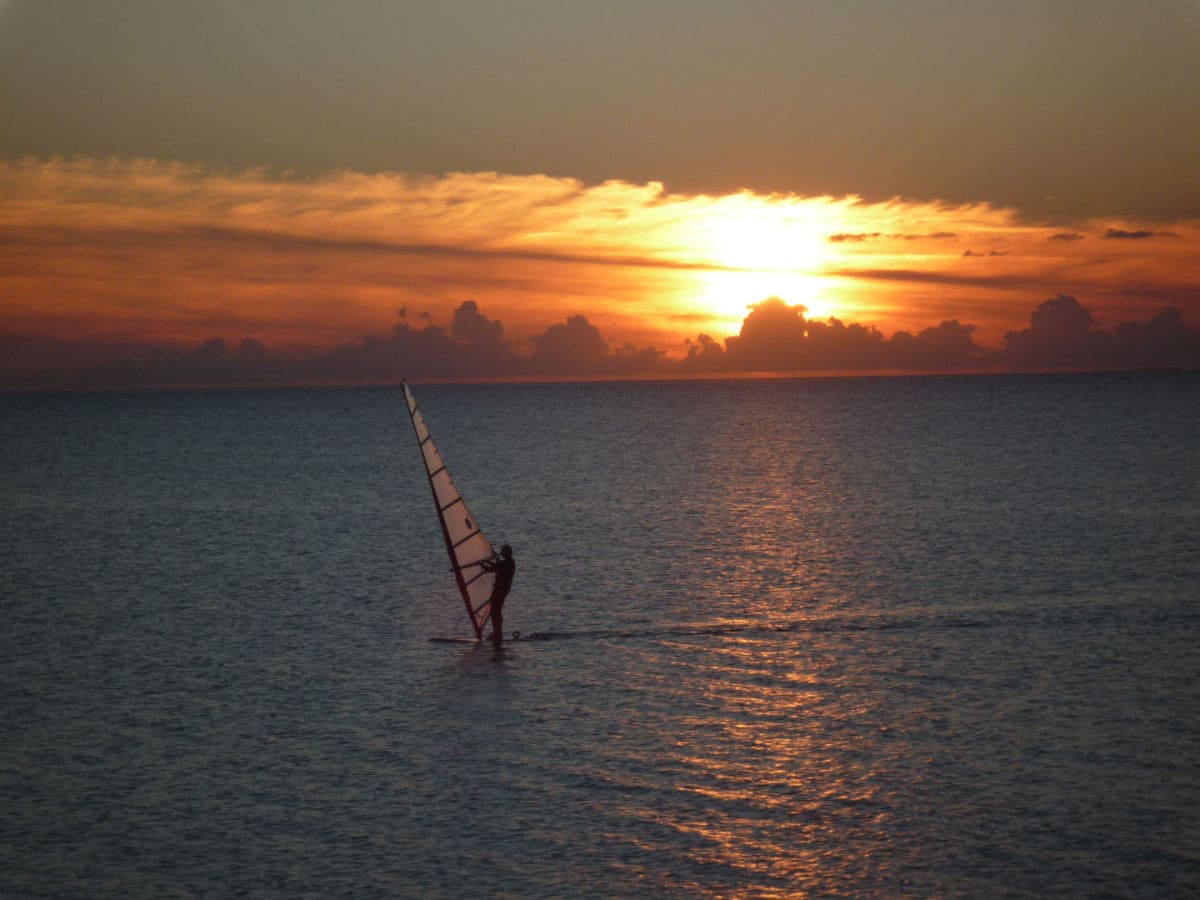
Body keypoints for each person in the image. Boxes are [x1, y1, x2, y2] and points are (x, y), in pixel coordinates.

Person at [481, 544, 515, 648]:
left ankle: (498, 634)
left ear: (508, 553)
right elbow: (495, 568)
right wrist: (485, 566)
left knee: (495, 611)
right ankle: (497, 633)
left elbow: (497, 566)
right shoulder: (505, 563)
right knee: (495, 611)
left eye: (503, 552)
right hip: (500, 590)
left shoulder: (509, 563)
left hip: (501, 590)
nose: (502, 553)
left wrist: (486, 562)